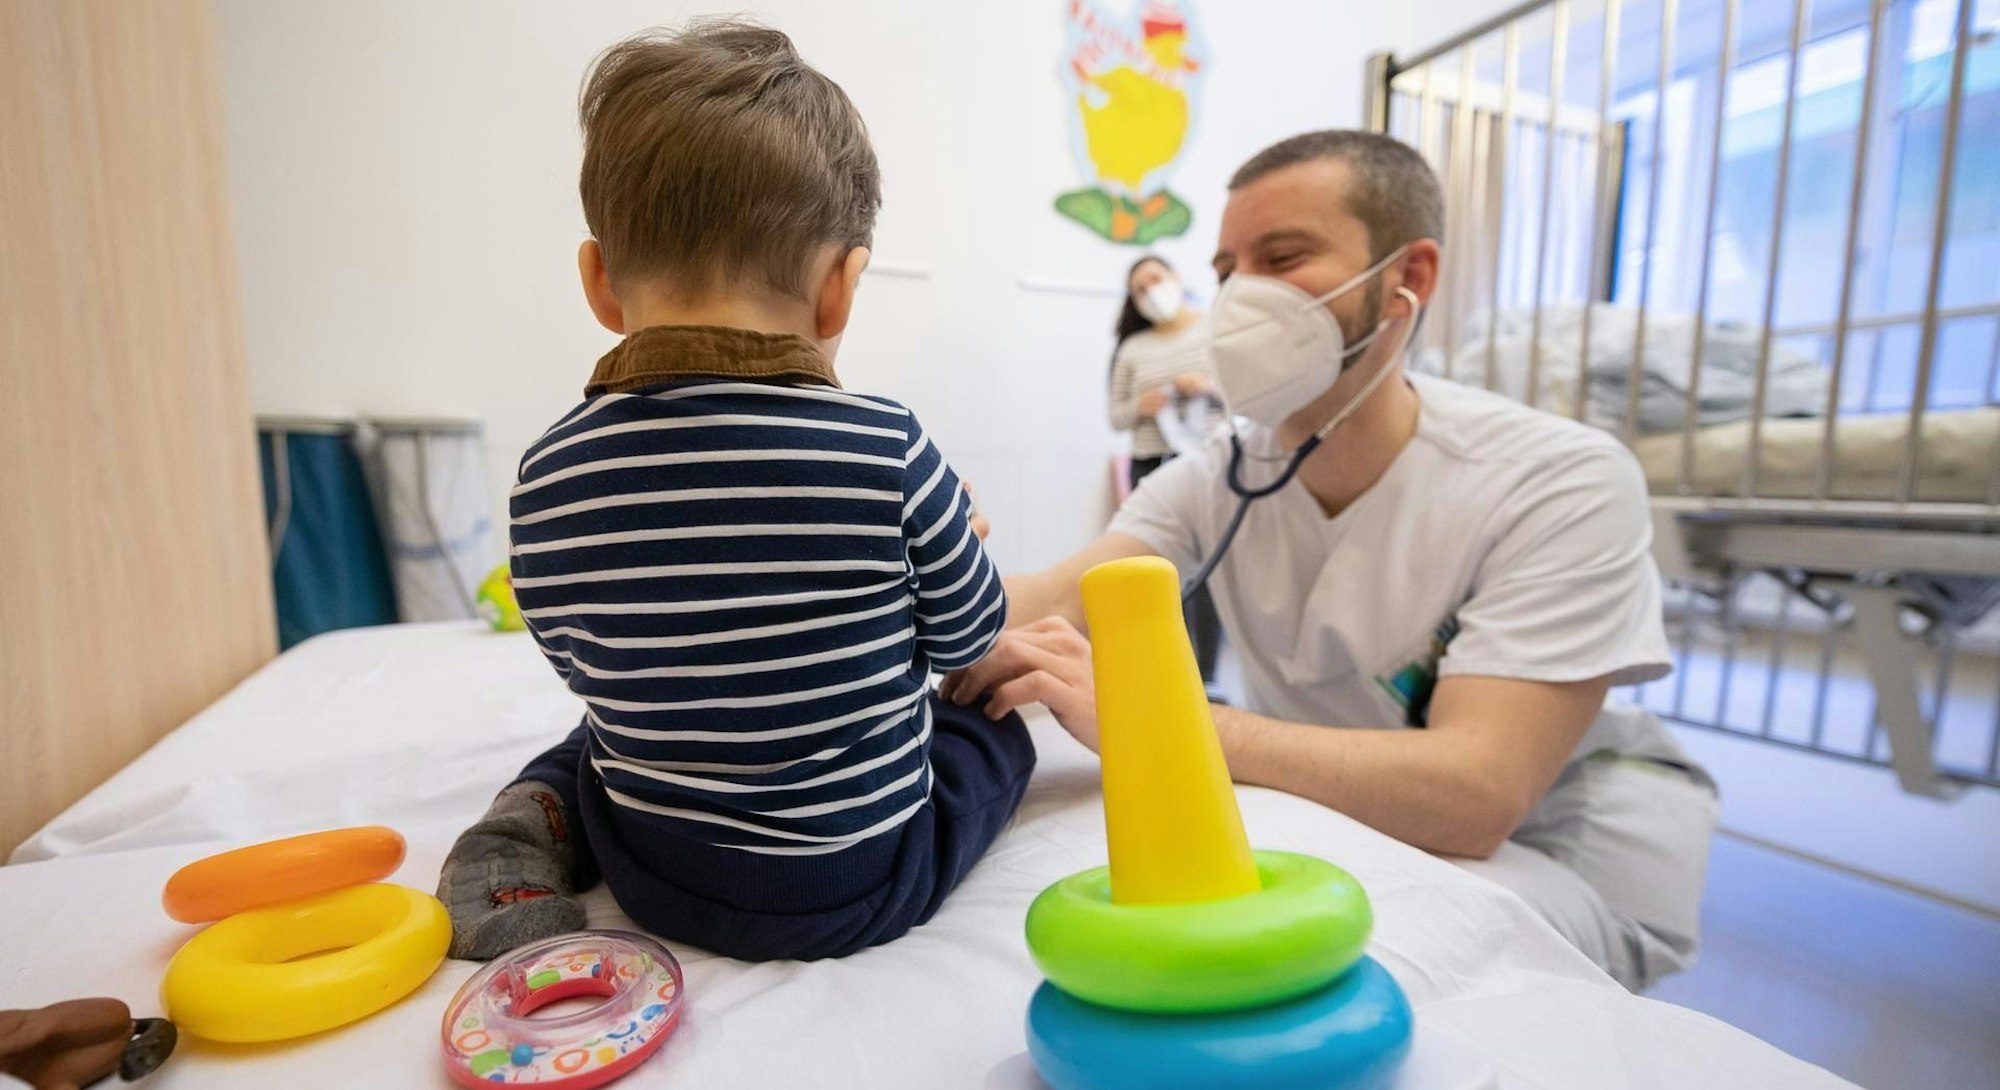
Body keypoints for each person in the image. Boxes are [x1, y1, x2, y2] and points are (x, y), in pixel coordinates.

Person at [945, 130, 1717, 992]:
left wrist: (1152, 717)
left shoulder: (1559, 479)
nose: (1241, 296)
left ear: (1407, 279)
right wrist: (912, 558)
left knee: (1339, 960)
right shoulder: (1220, 473)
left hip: (1553, 843)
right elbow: (1056, 596)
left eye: (1284, 256)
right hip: (1342, 808)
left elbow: (1477, 794)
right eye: (1230, 267)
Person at [436, 20, 1034, 964]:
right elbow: (969, 638)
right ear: (841, 289)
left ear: (598, 281)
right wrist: (951, 534)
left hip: (656, 872)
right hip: (860, 880)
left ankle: (536, 815)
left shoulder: (547, 473)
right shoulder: (889, 444)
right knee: (993, 732)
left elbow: (585, 665)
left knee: (604, 735)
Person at [1106, 256, 1224, 680]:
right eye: (1139, 288)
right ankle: (1173, 670)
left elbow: (1244, 394)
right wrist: (1140, 406)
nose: (1150, 290)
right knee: (1161, 573)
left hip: (1207, 465)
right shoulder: (1132, 349)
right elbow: (1116, 416)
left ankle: (1207, 675)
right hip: (1150, 466)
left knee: (1209, 573)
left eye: (1155, 279)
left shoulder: (1215, 329)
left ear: (1176, 276)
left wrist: (1206, 388)